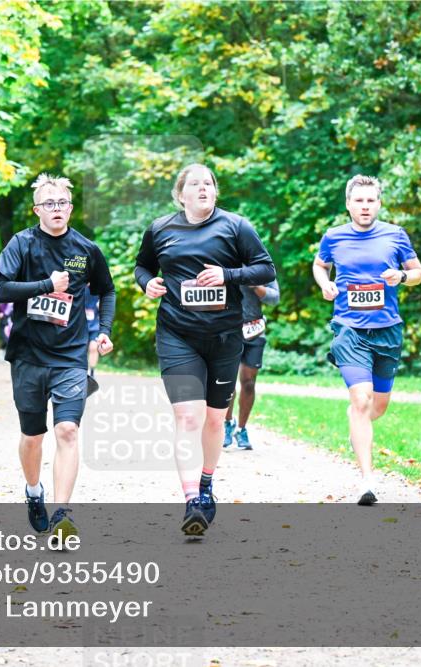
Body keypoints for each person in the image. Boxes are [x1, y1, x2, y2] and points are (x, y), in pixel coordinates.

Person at [134, 163, 275, 536]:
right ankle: (192, 500)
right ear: (180, 195)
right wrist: (147, 283)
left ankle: (207, 482)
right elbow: (142, 267)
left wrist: (227, 275)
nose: (203, 189)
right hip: (177, 335)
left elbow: (265, 270)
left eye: (208, 183)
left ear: (215, 191)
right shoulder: (161, 229)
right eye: (194, 184)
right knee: (188, 418)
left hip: (225, 337)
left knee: (214, 420)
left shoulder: (236, 227)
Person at [0, 173, 116, 538]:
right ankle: (34, 492)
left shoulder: (86, 249)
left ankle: (63, 514)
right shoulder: (21, 244)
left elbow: (107, 291)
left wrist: (104, 330)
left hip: (70, 357)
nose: (56, 209)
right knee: (33, 436)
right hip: (28, 356)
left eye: (62, 203)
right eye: (49, 204)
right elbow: (2, 289)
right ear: (37, 210)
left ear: (71, 208)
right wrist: (47, 285)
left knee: (67, 430)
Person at [312, 174, 421, 506]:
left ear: (379, 203)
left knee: (378, 406)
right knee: (361, 400)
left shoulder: (395, 235)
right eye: (359, 201)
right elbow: (320, 265)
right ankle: (367, 481)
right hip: (349, 328)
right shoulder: (334, 236)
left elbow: (417, 273)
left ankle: (357, 421)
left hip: (387, 329)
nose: (365, 206)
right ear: (348, 204)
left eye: (370, 200)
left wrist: (401, 276)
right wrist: (325, 283)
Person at [223, 279, 280, 451]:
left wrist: (255, 285)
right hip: (227, 329)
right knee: (227, 381)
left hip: (254, 330)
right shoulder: (223, 264)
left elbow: (274, 299)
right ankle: (227, 423)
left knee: (248, 383)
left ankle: (241, 429)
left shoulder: (262, 267)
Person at [84, 286, 101, 373]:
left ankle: (92, 372)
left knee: (93, 347)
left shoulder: (99, 287)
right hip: (80, 325)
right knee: (81, 350)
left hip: (94, 325)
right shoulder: (79, 286)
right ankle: (81, 371)